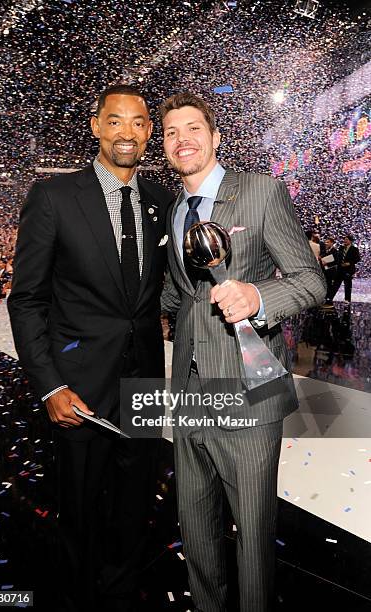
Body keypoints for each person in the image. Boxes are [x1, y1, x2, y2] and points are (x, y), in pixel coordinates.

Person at [8, 84, 173, 612]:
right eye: (116, 121)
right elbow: (27, 300)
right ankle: (74, 596)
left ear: (149, 131)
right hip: (77, 383)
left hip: (144, 380)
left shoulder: (161, 203)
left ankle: (121, 589)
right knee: (78, 504)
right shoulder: (55, 197)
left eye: (139, 122)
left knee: (134, 500)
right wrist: (50, 383)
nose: (128, 132)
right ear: (97, 126)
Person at [160, 92, 326, 612]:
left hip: (250, 386)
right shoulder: (174, 211)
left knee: (253, 534)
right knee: (197, 529)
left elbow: (310, 280)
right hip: (188, 393)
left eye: (193, 128)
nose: (182, 139)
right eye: (170, 132)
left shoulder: (260, 192)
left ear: (214, 137)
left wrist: (259, 297)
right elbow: (176, 294)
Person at [331, 234, 360, 304]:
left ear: (350, 241)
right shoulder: (341, 248)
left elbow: (357, 259)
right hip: (340, 269)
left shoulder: (354, 249)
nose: (345, 241)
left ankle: (347, 299)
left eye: (346, 239)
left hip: (348, 270)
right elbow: (338, 257)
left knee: (347, 285)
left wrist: (350, 263)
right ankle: (330, 298)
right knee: (335, 284)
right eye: (344, 239)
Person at [319, 236, 338, 308]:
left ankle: (329, 300)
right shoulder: (324, 251)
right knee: (324, 284)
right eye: (325, 242)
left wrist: (327, 263)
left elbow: (336, 261)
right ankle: (325, 299)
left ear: (332, 243)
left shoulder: (335, 251)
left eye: (328, 242)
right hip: (323, 270)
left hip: (330, 271)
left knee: (329, 285)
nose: (326, 243)